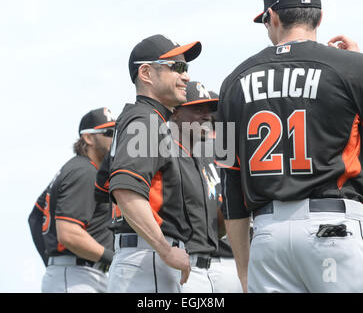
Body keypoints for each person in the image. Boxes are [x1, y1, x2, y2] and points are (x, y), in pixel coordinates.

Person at [217, 0, 363, 293]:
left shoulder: (233, 81)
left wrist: (243, 270)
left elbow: (230, 182)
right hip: (333, 228)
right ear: (320, 18)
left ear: (272, 17)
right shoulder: (351, 68)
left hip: (268, 236)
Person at [106, 34, 201, 293]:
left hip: (141, 257)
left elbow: (103, 184)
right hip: (148, 258)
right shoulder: (145, 119)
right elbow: (125, 191)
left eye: (186, 68)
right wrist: (165, 249)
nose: (186, 77)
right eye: (177, 67)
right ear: (146, 73)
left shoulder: (145, 119)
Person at [28, 107, 116, 293]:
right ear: (88, 138)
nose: (115, 138)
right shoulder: (84, 172)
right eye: (109, 132)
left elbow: (35, 217)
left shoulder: (76, 169)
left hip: (74, 274)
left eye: (117, 132)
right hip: (77, 277)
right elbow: (68, 233)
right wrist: (112, 258)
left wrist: (53, 262)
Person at [170, 81, 242, 293]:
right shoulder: (165, 153)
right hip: (182, 263)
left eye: (209, 111)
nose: (207, 116)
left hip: (211, 264)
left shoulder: (199, 157)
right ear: (174, 113)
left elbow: (216, 225)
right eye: (197, 109)